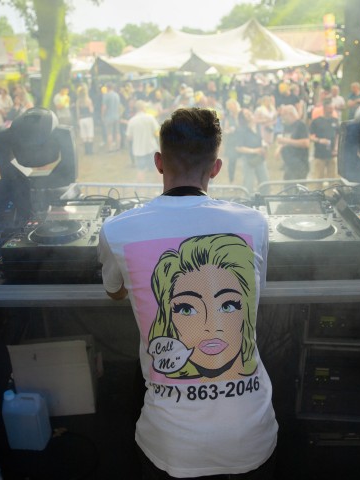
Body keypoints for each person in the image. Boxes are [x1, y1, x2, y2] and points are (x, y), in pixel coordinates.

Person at [98, 108, 278, 479]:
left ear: (159, 162)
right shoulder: (254, 224)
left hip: (170, 447)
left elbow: (115, 292)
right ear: (216, 168)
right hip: (252, 438)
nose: (211, 325)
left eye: (227, 304)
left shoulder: (117, 230)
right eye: (187, 309)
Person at [235, 108, 270, 195]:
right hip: (248, 160)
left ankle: (264, 200)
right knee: (248, 184)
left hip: (259, 158)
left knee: (265, 182)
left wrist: (264, 145)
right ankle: (247, 201)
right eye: (246, 114)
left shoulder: (257, 126)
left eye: (249, 112)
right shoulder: (240, 130)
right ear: (243, 118)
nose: (249, 114)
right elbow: (238, 148)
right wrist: (255, 151)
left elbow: (260, 140)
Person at [125, 100, 160, 182]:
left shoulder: (132, 121)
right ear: (143, 108)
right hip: (151, 148)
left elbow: (129, 138)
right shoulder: (150, 118)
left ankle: (141, 189)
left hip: (138, 150)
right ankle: (159, 188)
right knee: (157, 169)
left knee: (140, 171)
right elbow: (157, 131)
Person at [275, 104, 310, 180]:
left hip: (300, 165)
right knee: (287, 186)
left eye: (283, 115)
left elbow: (306, 143)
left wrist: (285, 140)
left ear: (290, 114)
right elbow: (286, 141)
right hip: (289, 164)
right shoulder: (287, 126)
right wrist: (279, 148)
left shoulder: (301, 125)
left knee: (297, 186)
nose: (282, 118)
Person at [309, 98, 339, 180]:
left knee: (333, 179)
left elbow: (338, 135)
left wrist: (336, 148)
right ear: (324, 108)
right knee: (318, 179)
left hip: (332, 155)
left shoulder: (335, 121)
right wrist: (319, 140)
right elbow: (310, 137)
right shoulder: (316, 121)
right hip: (319, 155)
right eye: (330, 108)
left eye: (332, 108)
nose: (331, 110)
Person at [101, 83, 121, 152]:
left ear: (107, 87)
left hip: (108, 117)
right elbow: (119, 106)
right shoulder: (117, 95)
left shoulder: (106, 95)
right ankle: (118, 146)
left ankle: (110, 148)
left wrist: (102, 115)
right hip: (117, 116)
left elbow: (104, 107)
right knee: (117, 132)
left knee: (109, 133)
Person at [75, 84, 95, 155]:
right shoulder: (88, 100)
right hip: (88, 118)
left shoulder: (78, 101)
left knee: (84, 134)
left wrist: (78, 120)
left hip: (81, 119)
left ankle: (86, 151)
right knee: (90, 133)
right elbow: (91, 110)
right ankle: (90, 151)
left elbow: (77, 112)